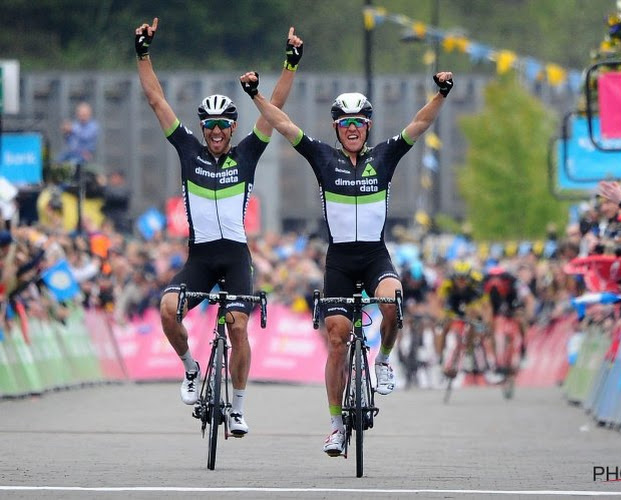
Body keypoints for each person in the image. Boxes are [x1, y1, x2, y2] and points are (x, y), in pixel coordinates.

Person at [240, 69, 453, 455]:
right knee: (337, 340)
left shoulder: (384, 156)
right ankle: (336, 425)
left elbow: (419, 124)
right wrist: (255, 95)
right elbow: (285, 125)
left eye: (358, 122)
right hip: (339, 260)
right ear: (337, 128)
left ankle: (384, 361)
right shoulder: (323, 157)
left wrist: (441, 93)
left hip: (374, 256)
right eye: (345, 123)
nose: (352, 129)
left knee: (392, 302)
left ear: (367, 127)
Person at [134, 18, 303, 436]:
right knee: (168, 310)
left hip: (235, 256)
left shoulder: (246, 154)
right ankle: (192, 369)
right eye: (208, 126)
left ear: (232, 128)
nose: (214, 132)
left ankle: (240, 407)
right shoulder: (188, 150)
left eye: (222, 126)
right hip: (201, 258)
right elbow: (157, 101)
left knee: (238, 325)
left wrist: (290, 64)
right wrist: (143, 54)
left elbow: (276, 112)